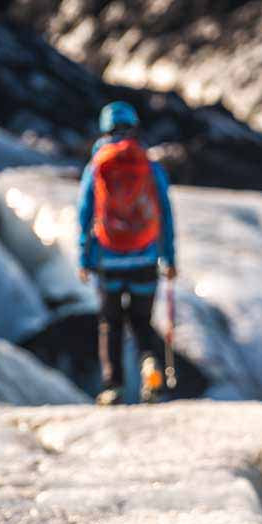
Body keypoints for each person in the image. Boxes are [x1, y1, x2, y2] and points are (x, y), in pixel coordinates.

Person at [77, 100, 177, 406]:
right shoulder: (148, 165)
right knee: (142, 323)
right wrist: (168, 258)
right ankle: (151, 370)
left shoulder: (97, 166)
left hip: (109, 258)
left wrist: (85, 257)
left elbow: (85, 213)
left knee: (111, 323)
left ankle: (114, 386)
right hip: (145, 258)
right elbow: (164, 213)